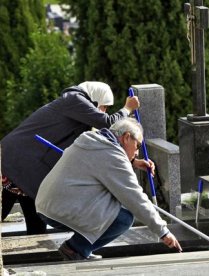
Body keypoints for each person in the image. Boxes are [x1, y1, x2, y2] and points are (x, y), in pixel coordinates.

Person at [1, 81, 145, 235]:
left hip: (28, 170)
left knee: (37, 228)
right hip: (14, 163)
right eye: (104, 106)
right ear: (95, 98)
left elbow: (97, 147)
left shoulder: (78, 111)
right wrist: (127, 108)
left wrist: (131, 160)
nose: (103, 111)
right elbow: (107, 123)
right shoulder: (73, 99)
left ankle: (38, 258)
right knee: (20, 216)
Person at [35, 118, 182, 260]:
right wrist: (163, 231)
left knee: (113, 204)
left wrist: (131, 161)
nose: (137, 152)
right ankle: (76, 248)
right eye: (137, 146)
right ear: (126, 137)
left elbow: (101, 162)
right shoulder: (113, 156)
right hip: (60, 209)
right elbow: (135, 198)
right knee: (123, 218)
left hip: (47, 205)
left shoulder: (91, 139)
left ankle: (83, 247)